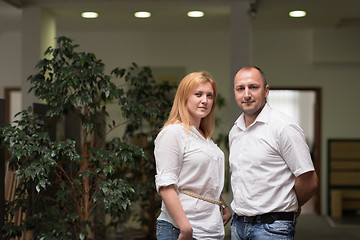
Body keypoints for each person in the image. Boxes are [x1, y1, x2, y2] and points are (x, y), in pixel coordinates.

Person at [229, 66, 318, 240]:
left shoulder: (283, 127)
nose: (246, 94)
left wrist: (290, 204)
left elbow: (309, 180)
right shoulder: (235, 130)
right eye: (241, 88)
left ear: (266, 90)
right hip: (238, 225)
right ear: (235, 93)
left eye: (253, 87)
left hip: (272, 228)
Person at [154, 71, 232, 240]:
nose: (205, 100)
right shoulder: (173, 133)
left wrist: (223, 205)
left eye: (210, 95)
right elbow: (166, 185)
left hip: (210, 230)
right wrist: (185, 228)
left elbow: (203, 179)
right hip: (180, 229)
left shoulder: (204, 137)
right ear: (184, 98)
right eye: (198, 94)